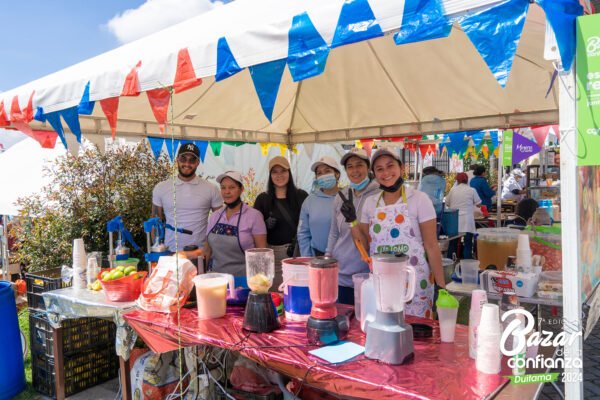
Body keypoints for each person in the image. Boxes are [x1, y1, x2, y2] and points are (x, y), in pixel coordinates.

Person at [349, 148, 445, 319]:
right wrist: (352, 221)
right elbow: (364, 245)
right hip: (382, 284)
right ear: (374, 174)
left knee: (418, 339)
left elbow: (431, 245)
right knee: (386, 333)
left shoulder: (419, 199)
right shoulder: (370, 203)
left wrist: (441, 286)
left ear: (401, 168)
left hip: (416, 283)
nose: (386, 172)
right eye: (379, 169)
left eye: (390, 166)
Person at [326, 148, 379, 305]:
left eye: (359, 165)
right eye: (350, 166)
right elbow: (334, 233)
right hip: (340, 274)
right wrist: (328, 259)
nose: (355, 170)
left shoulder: (378, 195)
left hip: (365, 274)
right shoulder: (341, 195)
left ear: (368, 167)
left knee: (363, 323)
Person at [152, 143, 222, 252]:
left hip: (200, 252)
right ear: (177, 160)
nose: (187, 163)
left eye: (192, 160)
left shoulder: (211, 188)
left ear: (198, 162)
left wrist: (211, 250)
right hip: (170, 252)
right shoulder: (161, 188)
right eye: (183, 159)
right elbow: (155, 222)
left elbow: (219, 223)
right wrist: (157, 249)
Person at [254, 156, 308, 289]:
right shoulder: (263, 199)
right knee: (277, 292)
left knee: (297, 289)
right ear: (270, 175)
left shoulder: (301, 196)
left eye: (283, 171)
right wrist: (265, 225)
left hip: (298, 252)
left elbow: (308, 224)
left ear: (289, 172)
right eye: (275, 172)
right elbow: (254, 228)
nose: (279, 175)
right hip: (274, 254)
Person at [204, 171, 267, 277]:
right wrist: (202, 275)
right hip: (216, 279)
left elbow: (261, 254)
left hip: (244, 280)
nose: (227, 192)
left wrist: (259, 284)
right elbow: (207, 250)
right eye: (223, 188)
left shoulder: (254, 216)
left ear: (241, 189)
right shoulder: (215, 216)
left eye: (232, 187)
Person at [297, 156, 340, 257]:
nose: (323, 175)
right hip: (317, 256)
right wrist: (307, 258)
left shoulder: (347, 198)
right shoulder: (309, 201)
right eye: (319, 173)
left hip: (345, 259)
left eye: (327, 171)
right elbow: (303, 233)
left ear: (337, 174)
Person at [445, 173, 481, 259]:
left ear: (457, 180)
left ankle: (450, 263)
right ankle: (466, 265)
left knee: (452, 243)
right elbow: (479, 204)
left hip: (454, 220)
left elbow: (447, 203)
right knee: (468, 243)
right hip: (467, 220)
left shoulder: (453, 190)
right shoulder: (472, 190)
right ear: (467, 180)